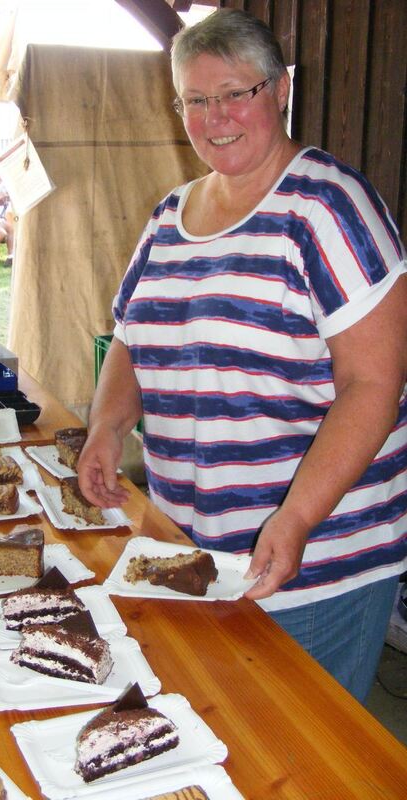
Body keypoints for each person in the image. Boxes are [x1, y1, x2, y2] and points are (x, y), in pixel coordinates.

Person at [77, 8, 407, 704]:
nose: (215, 115)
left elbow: (374, 384)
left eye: (237, 92)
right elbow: (134, 337)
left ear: (281, 89)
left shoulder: (328, 206)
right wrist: (106, 427)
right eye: (196, 99)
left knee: (297, 758)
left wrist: (295, 519)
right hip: (189, 552)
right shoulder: (170, 215)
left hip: (312, 563)